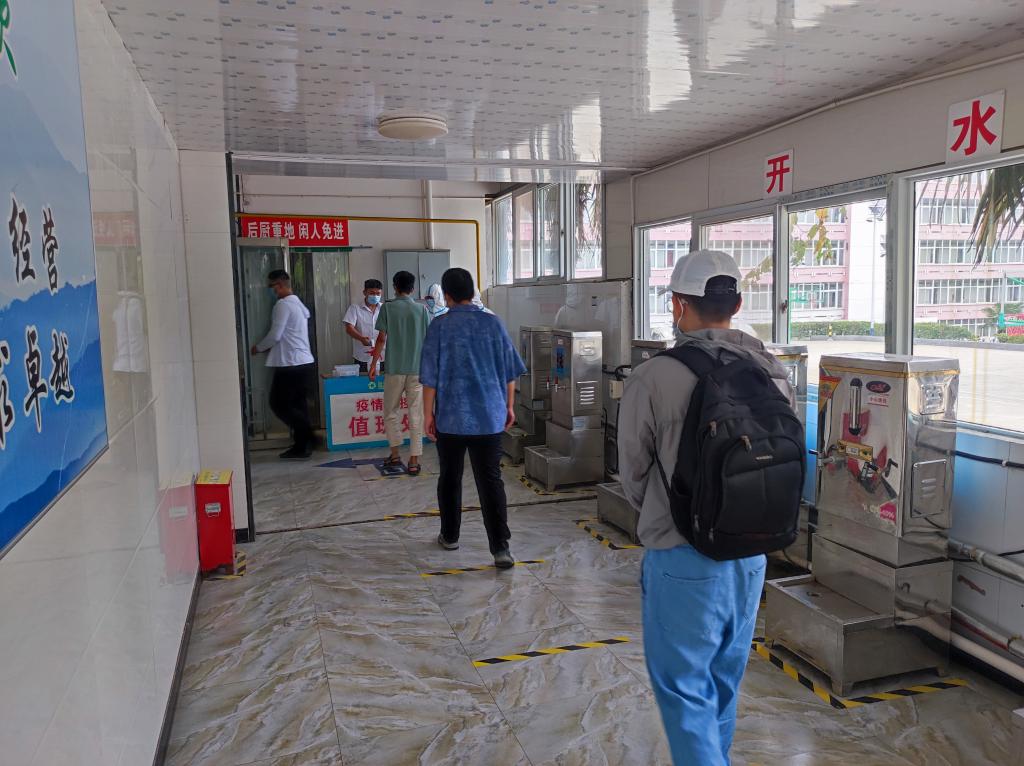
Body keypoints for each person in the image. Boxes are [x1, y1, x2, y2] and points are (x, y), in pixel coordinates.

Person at [618, 250, 793, 765]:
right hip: (752, 552)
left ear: (678, 305)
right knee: (722, 679)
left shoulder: (654, 376)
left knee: (683, 688)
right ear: (736, 305)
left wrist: (664, 514)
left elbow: (632, 471)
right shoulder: (773, 371)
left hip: (683, 552)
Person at [420, 267, 526, 569]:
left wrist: (428, 415)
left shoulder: (439, 327)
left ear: (447, 295)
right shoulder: (493, 323)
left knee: (450, 477)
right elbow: (509, 372)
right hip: (489, 417)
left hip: (451, 418)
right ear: (472, 291)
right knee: (490, 479)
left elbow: (430, 378)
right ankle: (500, 548)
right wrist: (509, 406)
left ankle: (450, 536)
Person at [369, 271, 430, 475]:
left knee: (390, 412)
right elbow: (428, 341)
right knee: (416, 414)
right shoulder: (422, 310)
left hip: (394, 369)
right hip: (417, 370)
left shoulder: (387, 308)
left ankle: (395, 454)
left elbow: (381, 339)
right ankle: (414, 460)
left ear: (395, 287)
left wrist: (373, 364)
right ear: (413, 288)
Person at [251, 269, 317, 459]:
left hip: (290, 364)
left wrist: (258, 348)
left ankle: (308, 436)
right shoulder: (297, 304)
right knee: (298, 404)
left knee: (279, 404)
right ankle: (302, 446)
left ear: (279, 285)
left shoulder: (283, 305)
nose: (269, 290)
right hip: (303, 362)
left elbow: (275, 335)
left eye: (270, 286)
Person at [343, 279, 384, 373]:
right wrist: (361, 338)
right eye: (372, 293)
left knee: (382, 381)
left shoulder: (384, 309)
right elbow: (349, 328)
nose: (375, 296)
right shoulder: (355, 308)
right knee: (363, 380)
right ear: (365, 292)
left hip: (382, 355)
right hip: (362, 356)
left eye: (378, 293)